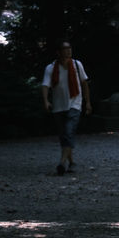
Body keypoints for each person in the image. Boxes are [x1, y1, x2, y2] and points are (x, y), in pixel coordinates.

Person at [41, 41, 91, 176]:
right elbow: (45, 85)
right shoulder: (51, 68)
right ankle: (72, 162)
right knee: (64, 136)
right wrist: (46, 101)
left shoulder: (76, 65)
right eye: (65, 49)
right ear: (58, 52)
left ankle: (62, 162)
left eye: (70, 48)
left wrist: (87, 102)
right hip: (58, 106)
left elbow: (84, 83)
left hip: (75, 103)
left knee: (69, 132)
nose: (68, 51)